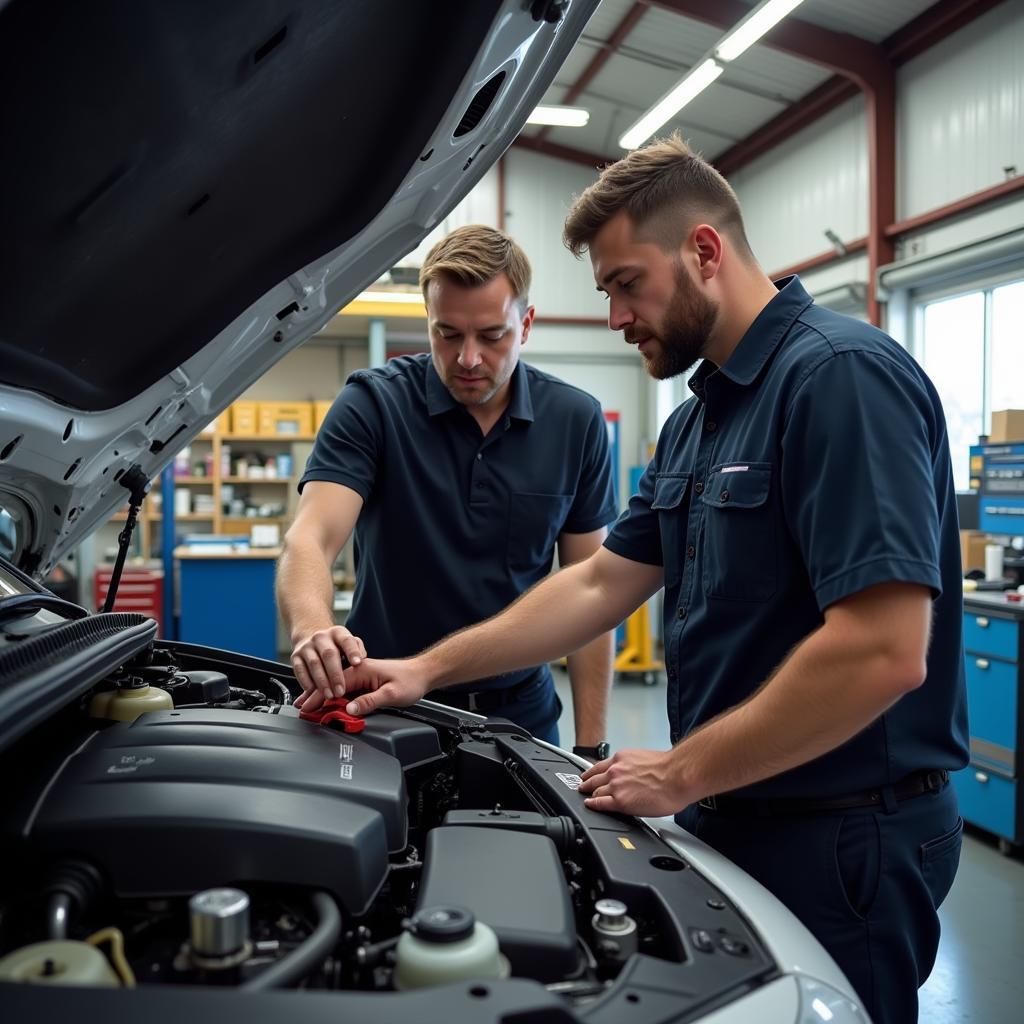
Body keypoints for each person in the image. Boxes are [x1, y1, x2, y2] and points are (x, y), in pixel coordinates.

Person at [339, 137, 969, 1024]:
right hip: (738, 813)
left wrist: (680, 771)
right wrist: (426, 671)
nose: (613, 316)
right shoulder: (700, 420)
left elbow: (882, 650)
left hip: (843, 834)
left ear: (703, 252)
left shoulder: (839, 379)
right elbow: (598, 586)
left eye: (625, 283)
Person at [277, 224, 618, 748]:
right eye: (448, 333)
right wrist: (311, 627)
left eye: (492, 335)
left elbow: (591, 593)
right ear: (428, 323)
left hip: (519, 718)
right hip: (385, 706)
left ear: (525, 325)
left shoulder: (576, 422)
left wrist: (590, 748)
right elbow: (311, 536)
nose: (468, 359)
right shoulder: (374, 405)